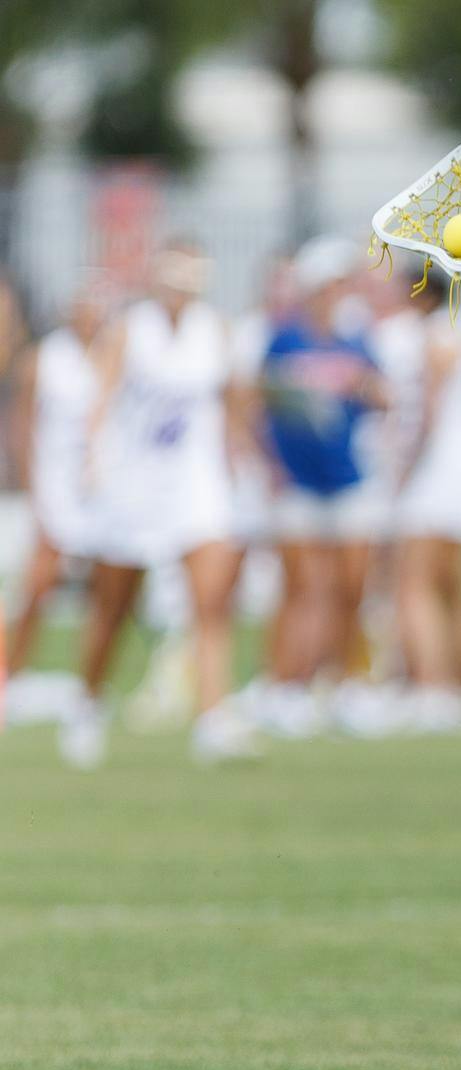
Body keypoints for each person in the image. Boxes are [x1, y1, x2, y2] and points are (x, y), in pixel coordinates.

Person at [63, 240, 257, 767]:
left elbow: (233, 401)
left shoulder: (214, 330)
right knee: (113, 606)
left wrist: (240, 459)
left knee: (211, 601)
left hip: (195, 481)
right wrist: (93, 462)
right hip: (135, 483)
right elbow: (100, 398)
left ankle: (213, 718)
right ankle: (87, 704)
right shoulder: (132, 329)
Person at [254, 236, 389, 737]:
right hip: (299, 483)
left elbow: (383, 394)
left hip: (348, 480)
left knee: (352, 590)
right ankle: (288, 686)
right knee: (301, 590)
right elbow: (259, 407)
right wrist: (270, 468)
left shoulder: (356, 340)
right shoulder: (284, 340)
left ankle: (348, 685)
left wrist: (362, 386)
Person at [393, 278, 461, 729]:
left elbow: (430, 411)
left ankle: (432, 686)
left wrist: (406, 467)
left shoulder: (435, 337)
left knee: (415, 583)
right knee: (453, 582)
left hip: (443, 467)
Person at [7, 278, 110, 680]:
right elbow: (23, 424)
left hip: (100, 486)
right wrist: (32, 485)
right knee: (38, 586)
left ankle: (87, 682)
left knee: (104, 592)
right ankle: (14, 673)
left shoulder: (110, 356)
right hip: (55, 482)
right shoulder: (44, 358)